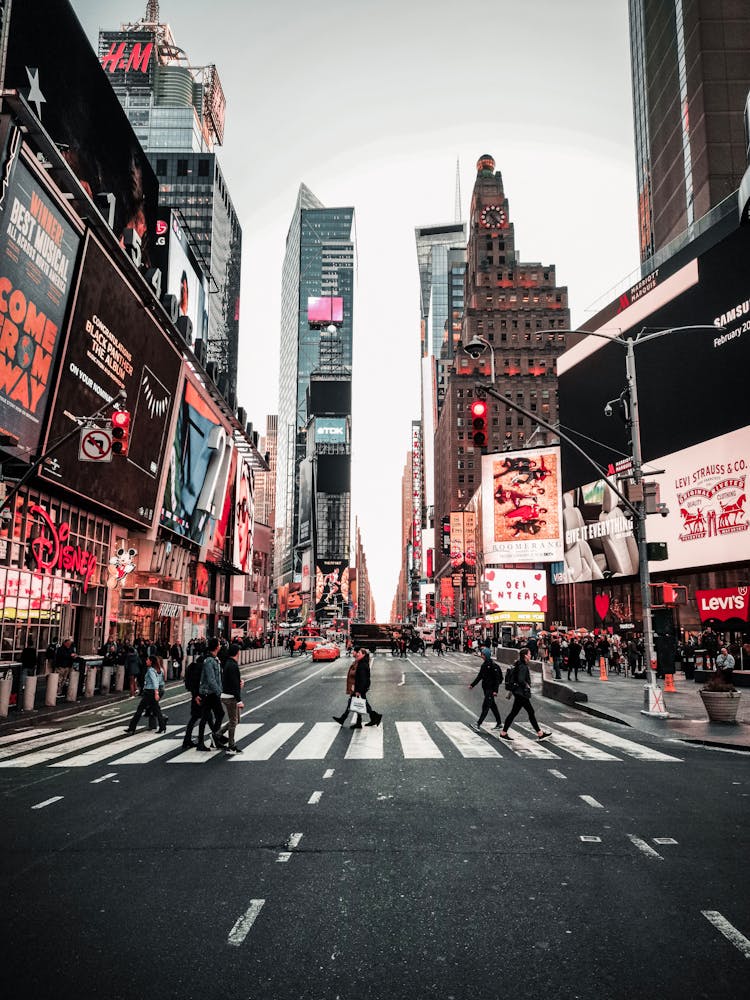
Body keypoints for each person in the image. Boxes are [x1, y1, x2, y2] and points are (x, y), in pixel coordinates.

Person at [498, 648, 550, 741]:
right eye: (529, 654)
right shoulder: (523, 666)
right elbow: (521, 679)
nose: (530, 655)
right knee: (530, 712)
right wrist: (527, 685)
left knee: (515, 713)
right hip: (521, 693)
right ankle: (540, 733)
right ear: (525, 655)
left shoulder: (519, 664)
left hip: (518, 693)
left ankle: (504, 732)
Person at [333, 647, 381, 729]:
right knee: (359, 703)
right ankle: (369, 719)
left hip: (360, 688)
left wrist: (359, 690)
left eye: (359, 653)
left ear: (363, 655)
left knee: (358, 703)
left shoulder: (362, 664)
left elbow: (363, 679)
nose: (357, 654)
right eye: (357, 652)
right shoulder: (361, 662)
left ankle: (373, 717)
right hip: (359, 687)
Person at [196, 637, 228, 751]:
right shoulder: (209, 661)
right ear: (216, 647)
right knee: (213, 715)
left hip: (211, 692)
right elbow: (211, 679)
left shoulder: (215, 659)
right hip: (209, 693)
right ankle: (212, 738)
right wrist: (219, 692)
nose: (220, 646)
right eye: (219, 644)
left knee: (214, 715)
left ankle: (215, 737)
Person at [125, 656, 167, 734]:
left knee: (140, 710)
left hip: (150, 692)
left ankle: (132, 728)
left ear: (151, 661)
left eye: (147, 660)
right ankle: (162, 726)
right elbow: (161, 681)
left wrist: (156, 692)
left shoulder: (151, 670)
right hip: (155, 691)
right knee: (156, 709)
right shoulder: (160, 669)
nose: (146, 661)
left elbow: (155, 682)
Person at [469, 646, 503, 731]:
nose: (481, 656)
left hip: (490, 690)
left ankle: (478, 724)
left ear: (487, 655)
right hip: (486, 689)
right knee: (493, 706)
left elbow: (498, 679)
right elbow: (480, 676)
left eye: (483, 654)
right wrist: (472, 685)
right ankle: (499, 723)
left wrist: (495, 690)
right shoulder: (484, 665)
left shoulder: (493, 666)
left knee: (486, 706)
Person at [220, 642, 244, 753]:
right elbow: (234, 684)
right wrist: (239, 700)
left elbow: (232, 682)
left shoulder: (228, 663)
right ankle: (231, 745)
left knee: (235, 720)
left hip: (228, 694)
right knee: (234, 721)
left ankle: (217, 735)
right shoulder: (232, 665)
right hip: (230, 697)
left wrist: (239, 683)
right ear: (237, 653)